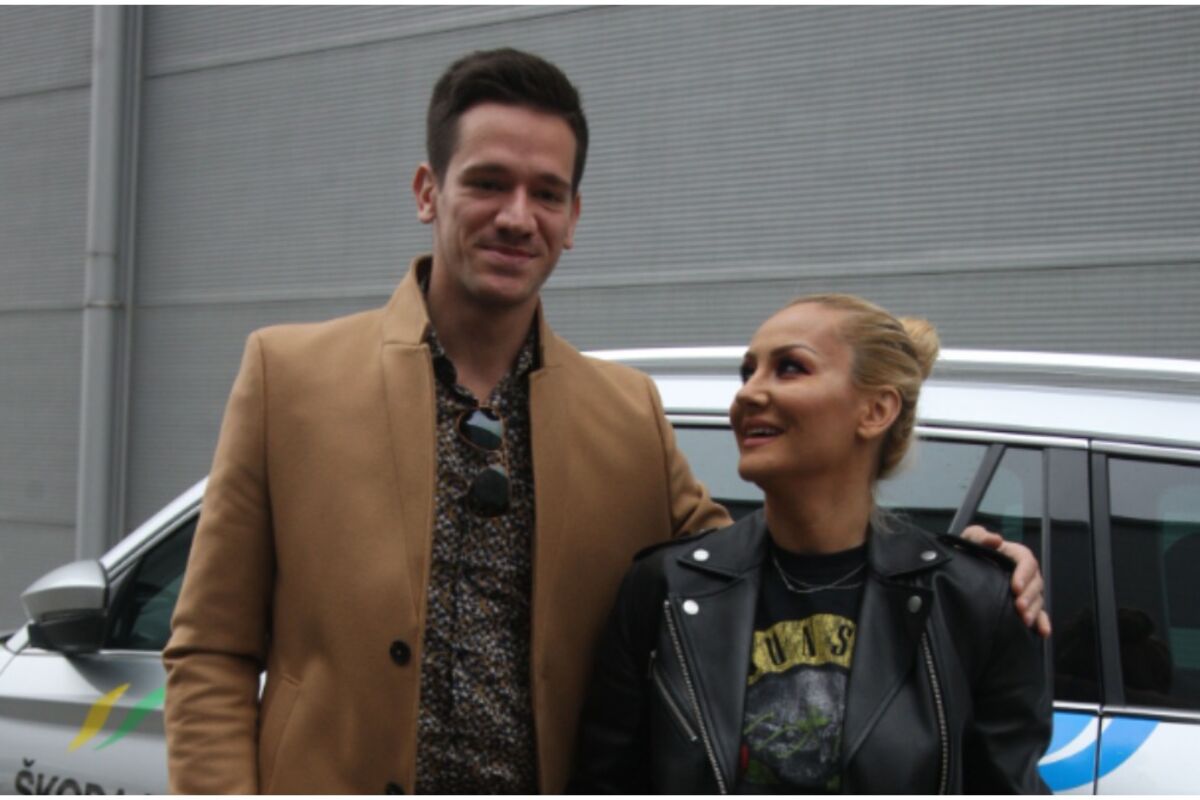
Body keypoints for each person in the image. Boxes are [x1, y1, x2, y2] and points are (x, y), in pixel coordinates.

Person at [163, 49, 1047, 794]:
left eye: (547, 193)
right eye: (488, 183)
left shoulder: (626, 414)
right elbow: (210, 649)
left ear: (574, 218)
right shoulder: (291, 377)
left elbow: (771, 561)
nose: (518, 216)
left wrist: (969, 570)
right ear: (428, 191)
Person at [570, 294, 1052, 794]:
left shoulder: (972, 600)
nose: (748, 394)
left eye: (790, 368)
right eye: (747, 373)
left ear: (876, 410)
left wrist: (983, 578)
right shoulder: (666, 589)